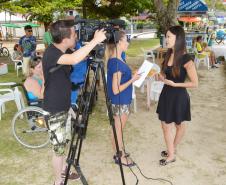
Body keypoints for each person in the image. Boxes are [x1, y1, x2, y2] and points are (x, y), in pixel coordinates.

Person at [42, 20, 106, 185]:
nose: (76, 36)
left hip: (63, 105)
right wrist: (94, 41)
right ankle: (58, 181)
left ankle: (64, 170)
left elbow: (77, 55)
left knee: (64, 142)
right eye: (74, 34)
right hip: (55, 109)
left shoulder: (61, 49)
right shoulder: (52, 53)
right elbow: (74, 59)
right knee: (58, 149)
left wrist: (70, 109)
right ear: (65, 39)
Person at [156, 25, 198, 166]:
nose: (166, 39)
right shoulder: (168, 54)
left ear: (178, 38)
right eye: (166, 36)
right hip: (166, 94)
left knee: (179, 125)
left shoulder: (187, 59)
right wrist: (160, 76)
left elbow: (194, 83)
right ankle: (172, 151)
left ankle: (171, 152)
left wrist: (175, 84)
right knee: (165, 126)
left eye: (169, 37)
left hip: (179, 95)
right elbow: (165, 73)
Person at [106, 30, 140, 167]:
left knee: (117, 129)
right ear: (119, 42)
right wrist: (132, 79)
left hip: (121, 101)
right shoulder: (117, 63)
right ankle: (121, 157)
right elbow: (116, 89)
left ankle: (118, 153)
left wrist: (133, 75)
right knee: (118, 131)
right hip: (120, 102)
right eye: (126, 40)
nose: (127, 43)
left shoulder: (117, 59)